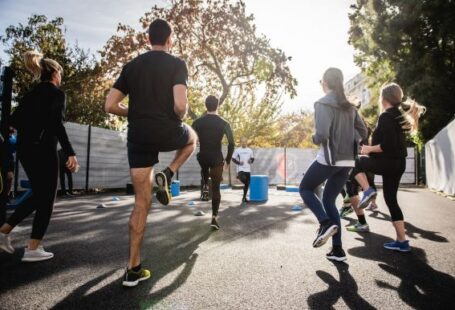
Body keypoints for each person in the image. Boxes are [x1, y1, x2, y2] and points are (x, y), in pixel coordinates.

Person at [104, 19, 196, 287]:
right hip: (167, 130)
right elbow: (180, 105)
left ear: (148, 40)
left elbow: (110, 105)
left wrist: (133, 112)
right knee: (192, 139)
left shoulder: (132, 66)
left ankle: (133, 268)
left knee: (140, 204)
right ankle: (168, 173)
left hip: (139, 137)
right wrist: (182, 114)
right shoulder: (177, 64)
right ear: (170, 40)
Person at [0, 51, 78, 261]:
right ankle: (33, 247)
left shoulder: (31, 94)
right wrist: (70, 152)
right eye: (60, 73)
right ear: (54, 73)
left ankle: (4, 231)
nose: (61, 77)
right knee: (47, 198)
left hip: (25, 151)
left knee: (39, 195)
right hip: (44, 150)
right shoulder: (57, 94)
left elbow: (12, 121)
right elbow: (56, 124)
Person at [299, 68, 367, 262]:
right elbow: (363, 132)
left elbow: (321, 135)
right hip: (347, 162)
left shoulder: (322, 103)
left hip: (330, 158)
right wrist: (349, 141)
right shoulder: (350, 107)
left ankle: (324, 222)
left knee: (305, 188)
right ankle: (338, 250)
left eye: (321, 81)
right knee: (329, 200)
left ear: (325, 83)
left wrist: (313, 137)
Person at [352, 83, 426, 252]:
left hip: (389, 162)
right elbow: (391, 142)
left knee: (355, 162)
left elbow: (387, 145)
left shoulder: (386, 116)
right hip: (398, 163)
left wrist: (369, 149)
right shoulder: (398, 115)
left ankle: (368, 190)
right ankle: (402, 241)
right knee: (391, 200)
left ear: (383, 98)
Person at [192, 95, 235, 230]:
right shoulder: (224, 123)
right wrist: (228, 160)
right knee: (216, 189)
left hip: (203, 156)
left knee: (204, 165)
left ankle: (205, 184)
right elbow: (232, 143)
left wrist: (198, 142)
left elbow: (192, 139)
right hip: (217, 159)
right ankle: (214, 219)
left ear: (206, 105)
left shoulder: (197, 122)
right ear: (218, 105)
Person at [232, 137, 254, 203]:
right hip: (240, 169)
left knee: (247, 184)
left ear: (247, 142)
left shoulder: (250, 150)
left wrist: (250, 161)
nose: (244, 143)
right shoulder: (237, 150)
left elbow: (252, 158)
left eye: (245, 141)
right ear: (240, 142)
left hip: (248, 169)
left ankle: (244, 198)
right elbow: (233, 159)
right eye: (242, 142)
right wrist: (239, 163)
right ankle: (239, 176)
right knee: (244, 179)